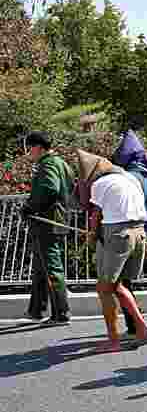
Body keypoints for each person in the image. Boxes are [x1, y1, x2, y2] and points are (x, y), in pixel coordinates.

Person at [76, 150, 147, 352]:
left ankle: (113, 341)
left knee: (103, 288)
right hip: (139, 233)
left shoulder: (99, 185)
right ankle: (142, 327)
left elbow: (96, 215)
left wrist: (91, 235)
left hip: (117, 234)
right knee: (116, 284)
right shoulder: (129, 178)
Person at [20, 132, 74, 325]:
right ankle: (37, 310)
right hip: (55, 220)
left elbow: (50, 189)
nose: (28, 153)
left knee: (51, 267)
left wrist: (30, 207)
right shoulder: (62, 163)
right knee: (41, 267)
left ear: (38, 147)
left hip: (47, 222)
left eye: (29, 148)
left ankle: (61, 313)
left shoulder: (49, 164)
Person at [110, 115, 147, 336]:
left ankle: (135, 323)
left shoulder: (128, 177)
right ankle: (135, 322)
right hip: (141, 231)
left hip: (123, 231)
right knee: (126, 280)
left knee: (119, 281)